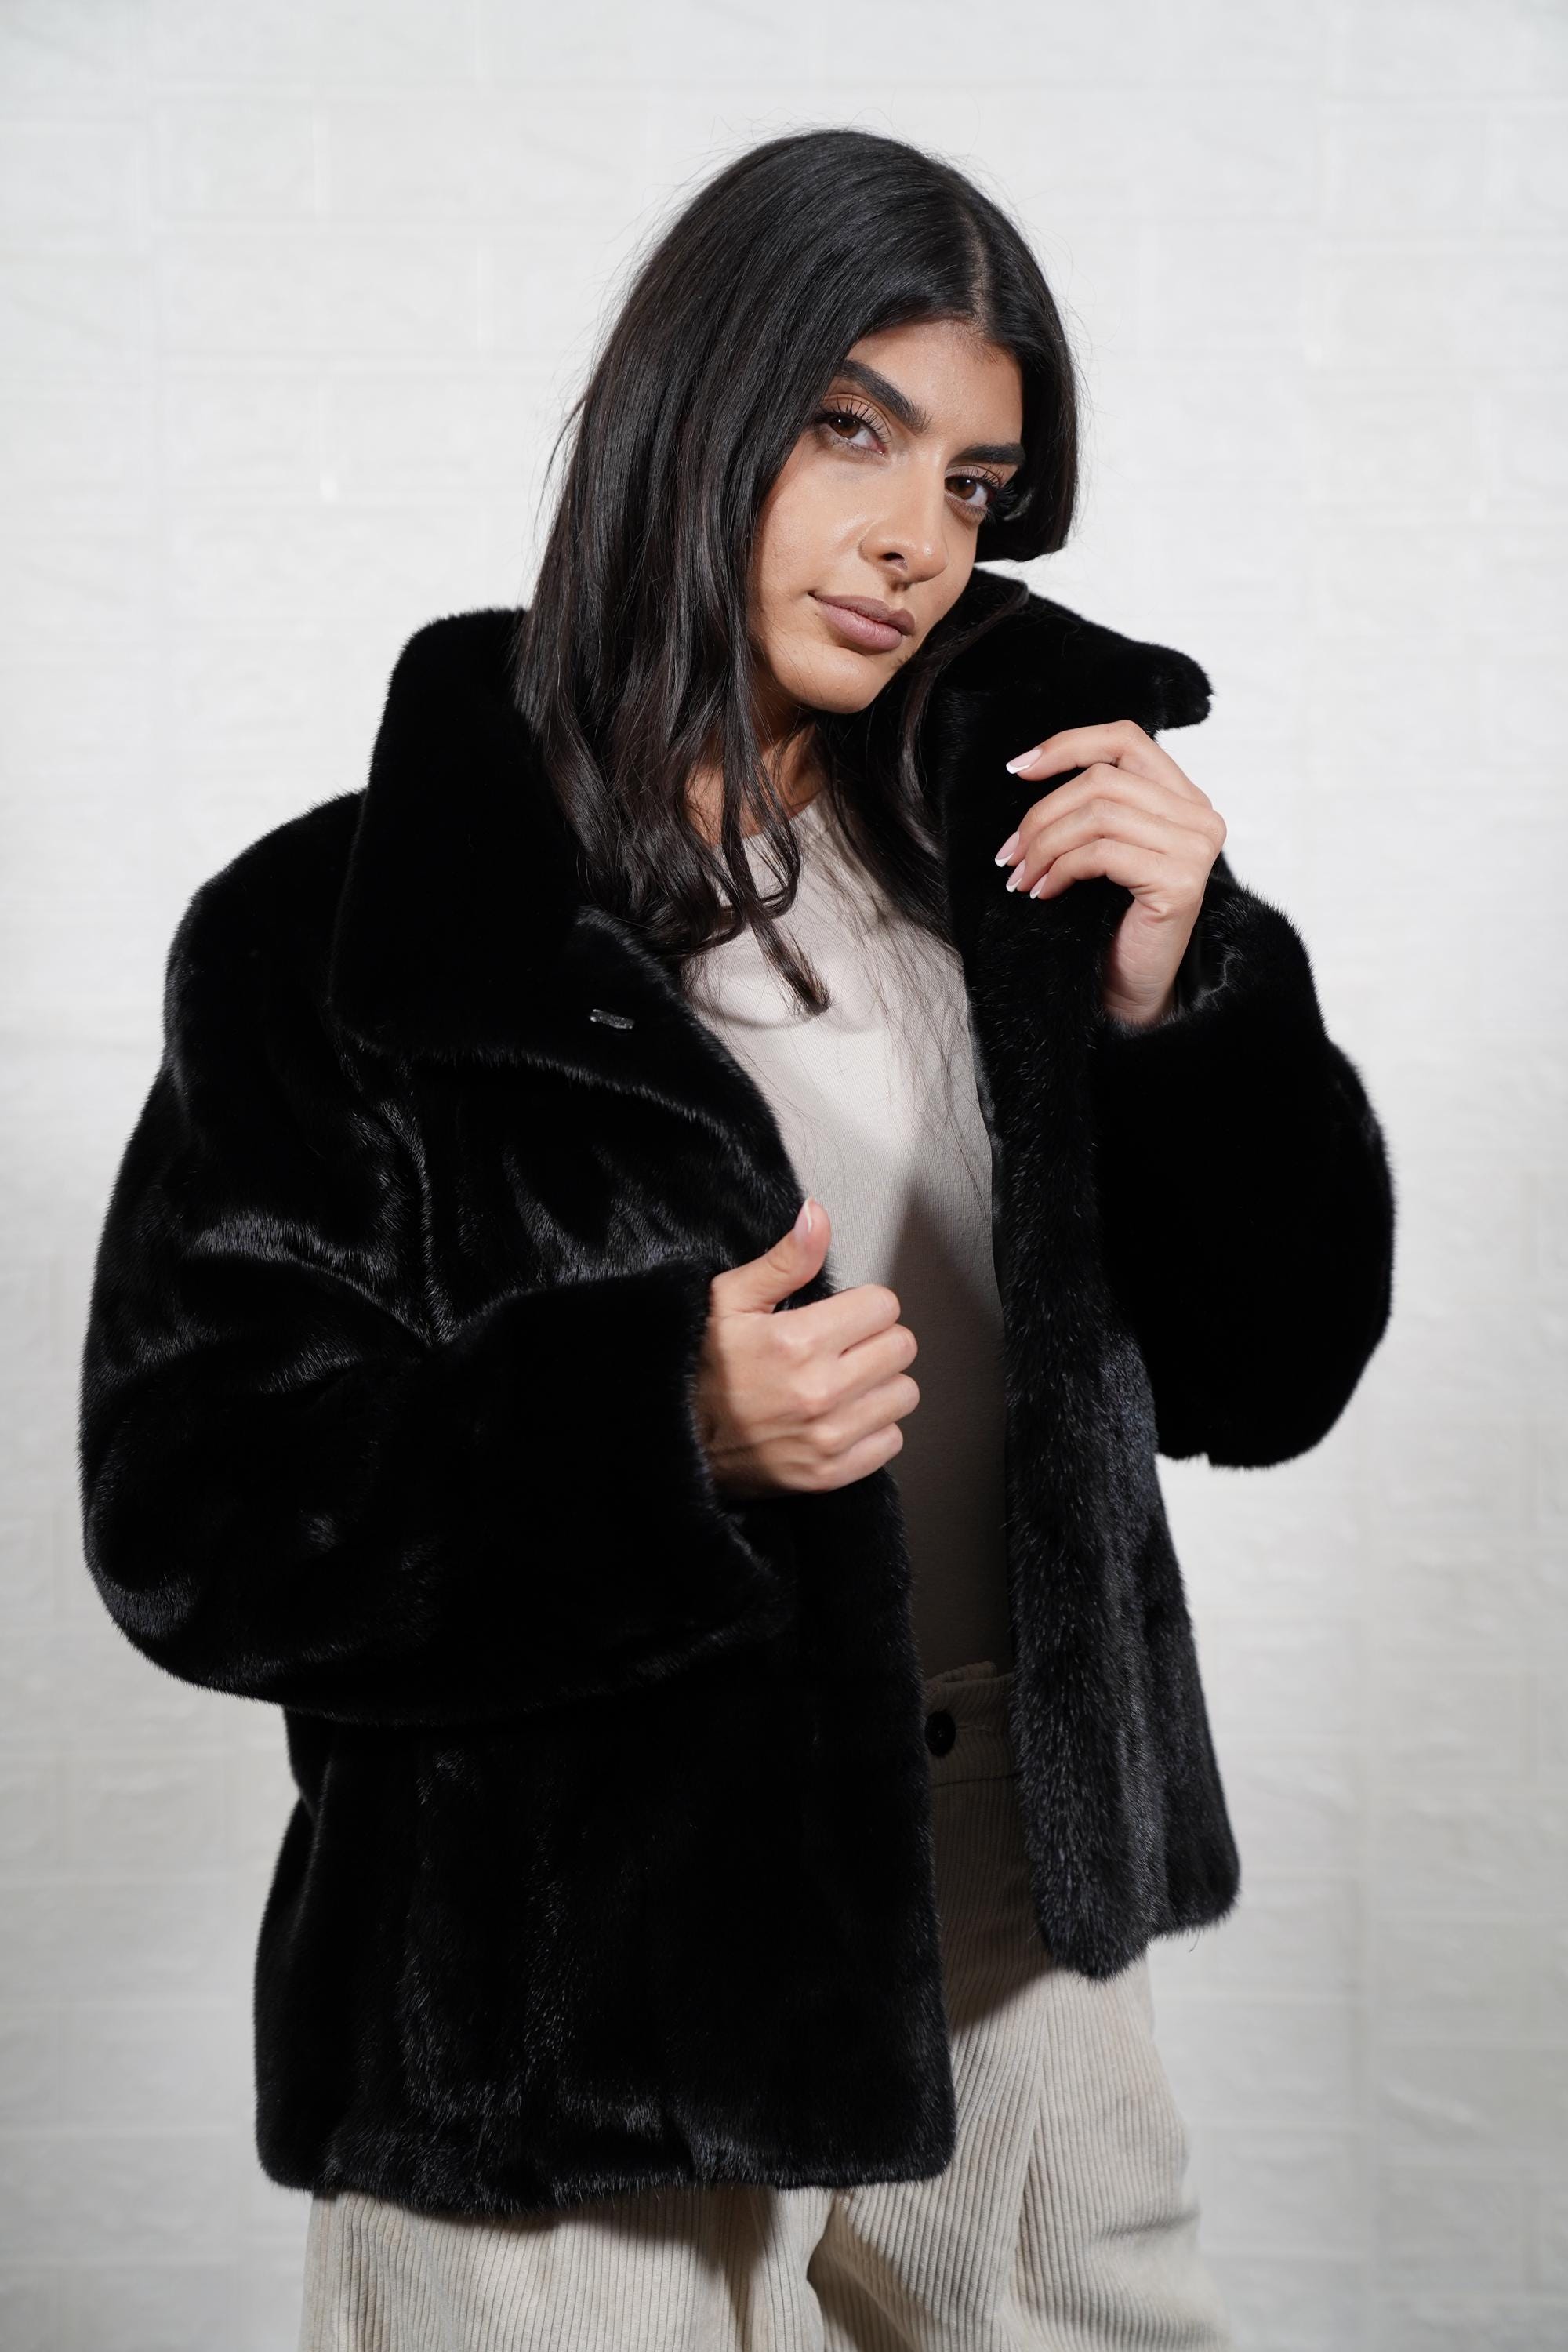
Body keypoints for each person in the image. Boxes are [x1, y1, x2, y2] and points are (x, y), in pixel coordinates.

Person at [76, 129, 1396, 2349]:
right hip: (570, 1979)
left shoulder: (1037, 880)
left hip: (1008, 1925)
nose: (913, 537)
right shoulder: (357, 930)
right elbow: (192, 1513)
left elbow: (1273, 1376)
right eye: (851, 429)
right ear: (695, 408)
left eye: (973, 483)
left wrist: (1181, 1015)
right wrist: (658, 1430)